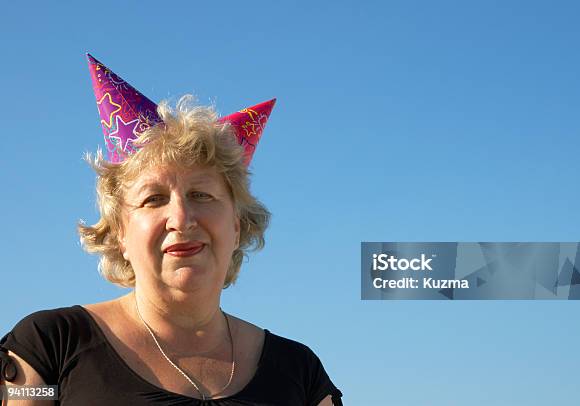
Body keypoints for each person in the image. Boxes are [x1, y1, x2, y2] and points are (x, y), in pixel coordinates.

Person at [0, 54, 343, 406]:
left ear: (237, 228)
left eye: (201, 194)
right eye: (153, 199)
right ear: (120, 231)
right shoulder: (47, 348)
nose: (181, 217)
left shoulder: (301, 373)